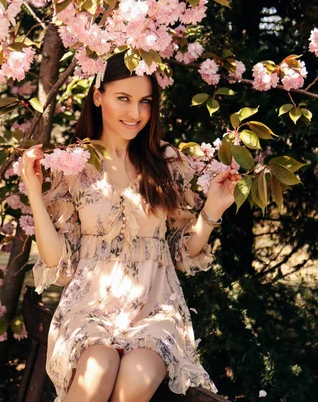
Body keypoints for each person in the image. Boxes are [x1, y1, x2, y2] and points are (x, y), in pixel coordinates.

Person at [21, 52, 241, 402]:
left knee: (135, 382)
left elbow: (181, 251)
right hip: (89, 309)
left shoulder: (167, 163)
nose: (135, 113)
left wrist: (214, 208)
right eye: (123, 98)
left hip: (155, 310)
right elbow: (57, 261)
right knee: (99, 367)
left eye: (144, 102)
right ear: (98, 96)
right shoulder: (73, 165)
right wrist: (34, 192)